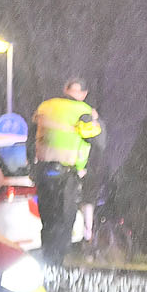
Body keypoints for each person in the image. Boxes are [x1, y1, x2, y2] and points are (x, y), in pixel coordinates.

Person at [29, 78, 103, 262]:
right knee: (64, 221)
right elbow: (99, 142)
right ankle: (57, 263)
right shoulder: (84, 112)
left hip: (43, 173)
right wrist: (96, 120)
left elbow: (30, 139)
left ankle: (47, 261)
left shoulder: (45, 107)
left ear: (65, 89)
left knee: (48, 220)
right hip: (66, 175)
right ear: (84, 94)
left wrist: (32, 168)